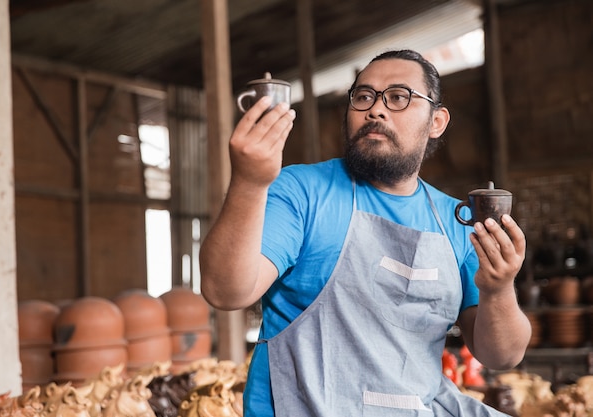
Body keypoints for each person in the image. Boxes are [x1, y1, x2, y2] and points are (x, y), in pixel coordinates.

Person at [199, 49, 531, 416]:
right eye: (363, 96)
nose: (375, 109)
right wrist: (248, 181)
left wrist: (499, 288)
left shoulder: (457, 220)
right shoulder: (301, 191)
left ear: (436, 121)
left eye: (398, 97)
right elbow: (224, 290)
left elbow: (500, 355)